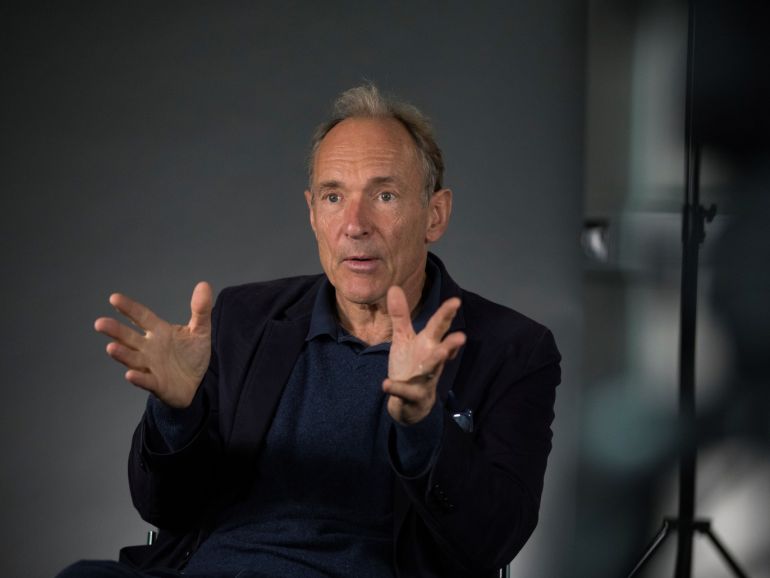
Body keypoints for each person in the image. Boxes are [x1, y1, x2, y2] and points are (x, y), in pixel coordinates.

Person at [60, 84, 561, 578]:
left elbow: (492, 542)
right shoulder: (242, 318)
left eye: (384, 195)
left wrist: (421, 428)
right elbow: (163, 510)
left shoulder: (512, 349)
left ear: (435, 214)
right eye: (333, 196)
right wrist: (176, 416)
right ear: (312, 213)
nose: (354, 224)